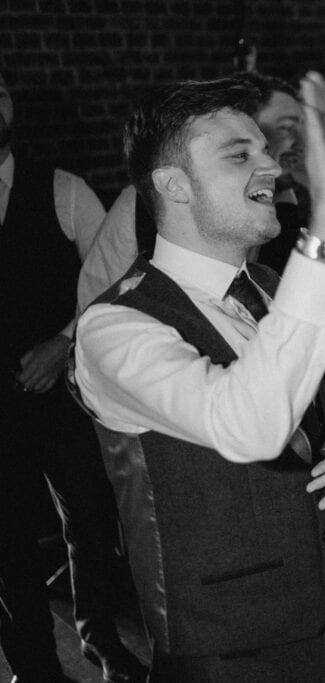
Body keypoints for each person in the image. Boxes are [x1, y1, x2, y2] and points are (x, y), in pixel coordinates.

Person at [71, 73, 325, 680]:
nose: (271, 166)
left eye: (266, 149)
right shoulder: (112, 329)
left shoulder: (264, 286)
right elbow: (249, 426)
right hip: (230, 651)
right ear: (173, 185)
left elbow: (305, 399)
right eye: (240, 154)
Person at [0, 70, 146, 682]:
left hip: (64, 393)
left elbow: (120, 279)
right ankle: (35, 666)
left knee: (89, 516)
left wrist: (63, 344)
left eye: (0, 91)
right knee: (6, 542)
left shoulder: (63, 190)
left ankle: (99, 636)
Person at [77, 72, 325, 359]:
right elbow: (100, 291)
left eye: (303, 128)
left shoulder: (269, 276)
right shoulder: (123, 325)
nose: (274, 165)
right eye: (284, 128)